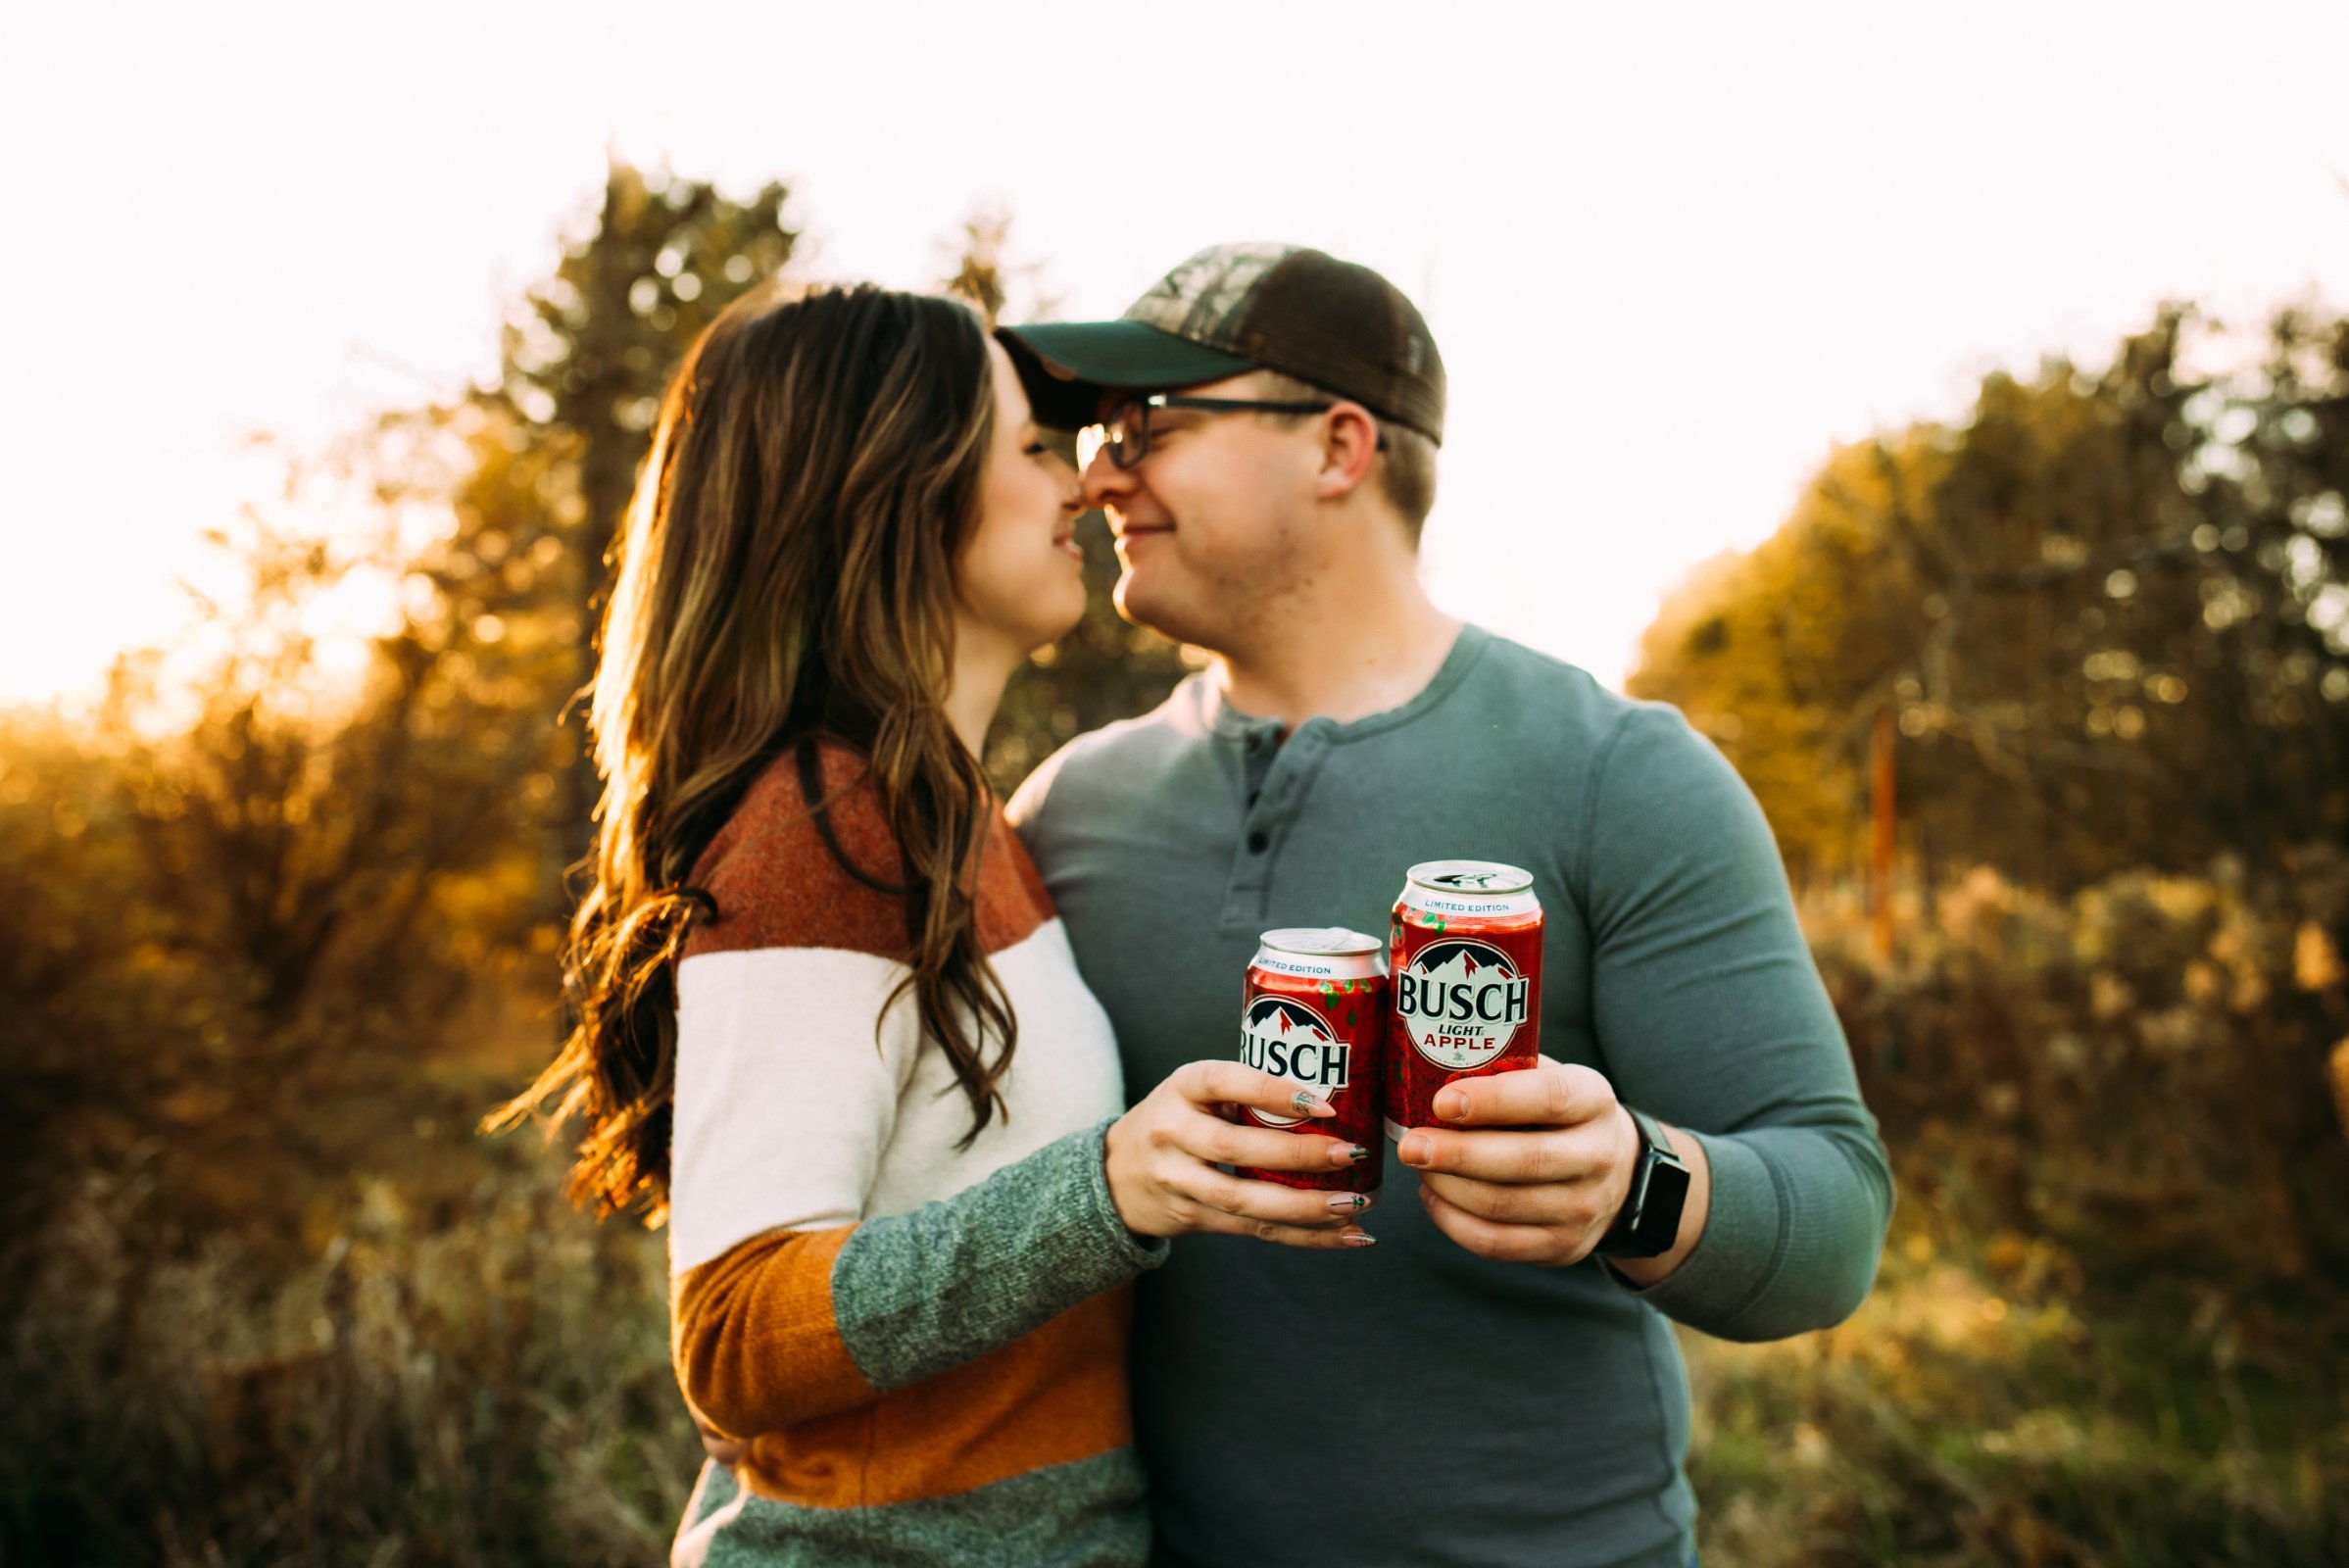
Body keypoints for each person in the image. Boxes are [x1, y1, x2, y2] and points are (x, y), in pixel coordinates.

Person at [996, 244, 1895, 1568]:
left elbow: (1834, 1216)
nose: (1100, 472)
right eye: (1095, 436)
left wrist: (1637, 1185)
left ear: (1339, 447)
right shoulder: (1065, 807)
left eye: (1152, 425)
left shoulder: (1617, 772)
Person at [488, 282, 1381, 1568]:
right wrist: (1111, 1189)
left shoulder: (954, 814)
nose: (1079, 486)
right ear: (897, 488)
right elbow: (734, 1333)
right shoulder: (825, 825)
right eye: (1030, 448)